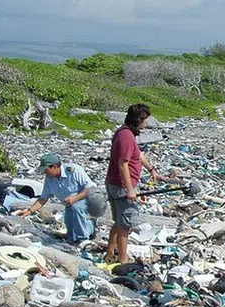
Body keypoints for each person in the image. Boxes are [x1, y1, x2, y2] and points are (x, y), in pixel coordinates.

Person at [104, 103, 168, 264]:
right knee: (125, 224)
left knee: (119, 221)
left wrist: (152, 170)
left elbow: (138, 155)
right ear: (138, 120)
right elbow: (123, 164)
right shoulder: (126, 136)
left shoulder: (125, 133)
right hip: (121, 186)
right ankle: (123, 259)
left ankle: (110, 252)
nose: (146, 123)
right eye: (145, 120)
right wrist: (130, 189)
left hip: (116, 183)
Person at [15, 153, 96, 243]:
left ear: (54, 166)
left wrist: (75, 198)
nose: (44, 172)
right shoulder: (49, 180)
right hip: (70, 205)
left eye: (46, 170)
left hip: (87, 199)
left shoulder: (73, 170)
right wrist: (29, 211)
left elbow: (90, 188)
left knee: (76, 209)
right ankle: (89, 229)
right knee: (71, 230)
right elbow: (43, 199)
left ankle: (83, 240)